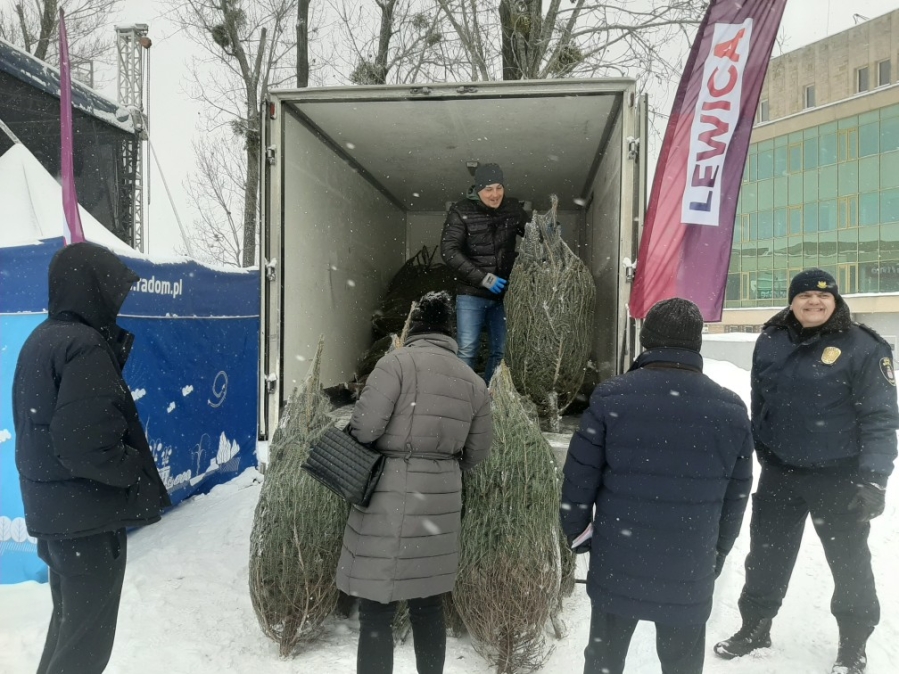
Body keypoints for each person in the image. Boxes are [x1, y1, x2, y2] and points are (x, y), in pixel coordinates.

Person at [714, 269, 899, 674]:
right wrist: (763, 446)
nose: (814, 302)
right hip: (781, 472)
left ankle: (853, 644)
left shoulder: (864, 346)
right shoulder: (772, 339)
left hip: (840, 476)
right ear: (792, 300)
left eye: (823, 296)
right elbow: (760, 397)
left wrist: (874, 478)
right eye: (804, 296)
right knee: (766, 555)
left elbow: (881, 419)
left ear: (836, 300)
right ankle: (755, 627)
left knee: (849, 562)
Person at [560, 298, 753, 674]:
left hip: (618, 556)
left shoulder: (612, 396)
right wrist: (718, 550)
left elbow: (579, 476)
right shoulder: (729, 409)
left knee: (604, 659)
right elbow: (737, 493)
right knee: (682, 664)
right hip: (690, 561)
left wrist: (578, 534)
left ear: (646, 339)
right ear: (697, 342)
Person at [12, 242, 171, 674]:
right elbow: (83, 445)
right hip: (88, 523)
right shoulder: (84, 346)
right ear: (92, 288)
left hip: (58, 520)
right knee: (84, 652)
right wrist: (133, 466)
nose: (117, 302)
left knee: (67, 637)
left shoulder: (41, 340)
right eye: (112, 290)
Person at [336, 290, 493, 674]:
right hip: (440, 504)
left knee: (377, 608)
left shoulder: (395, 364)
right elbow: (477, 454)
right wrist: (441, 460)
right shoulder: (473, 381)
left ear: (416, 327)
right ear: (451, 332)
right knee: (428, 604)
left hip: (387, 498)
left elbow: (366, 428)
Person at [440, 162, 528, 382]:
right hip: (471, 294)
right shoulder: (461, 211)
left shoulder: (512, 209)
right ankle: (463, 396)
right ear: (477, 190)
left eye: (499, 188)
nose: (495, 194)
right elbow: (449, 251)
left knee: (501, 351)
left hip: (503, 295)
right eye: (488, 189)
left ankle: (489, 395)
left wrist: (549, 229)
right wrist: (484, 279)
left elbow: (532, 233)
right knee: (468, 349)